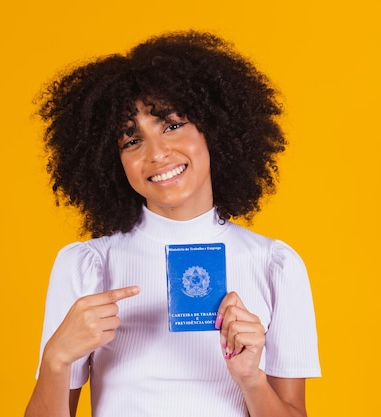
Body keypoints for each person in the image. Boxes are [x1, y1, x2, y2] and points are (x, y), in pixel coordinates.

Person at [25, 30, 321, 417]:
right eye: (132, 141)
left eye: (171, 125)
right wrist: (55, 360)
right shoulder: (86, 265)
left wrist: (252, 380)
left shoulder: (275, 265)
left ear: (212, 129)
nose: (158, 153)